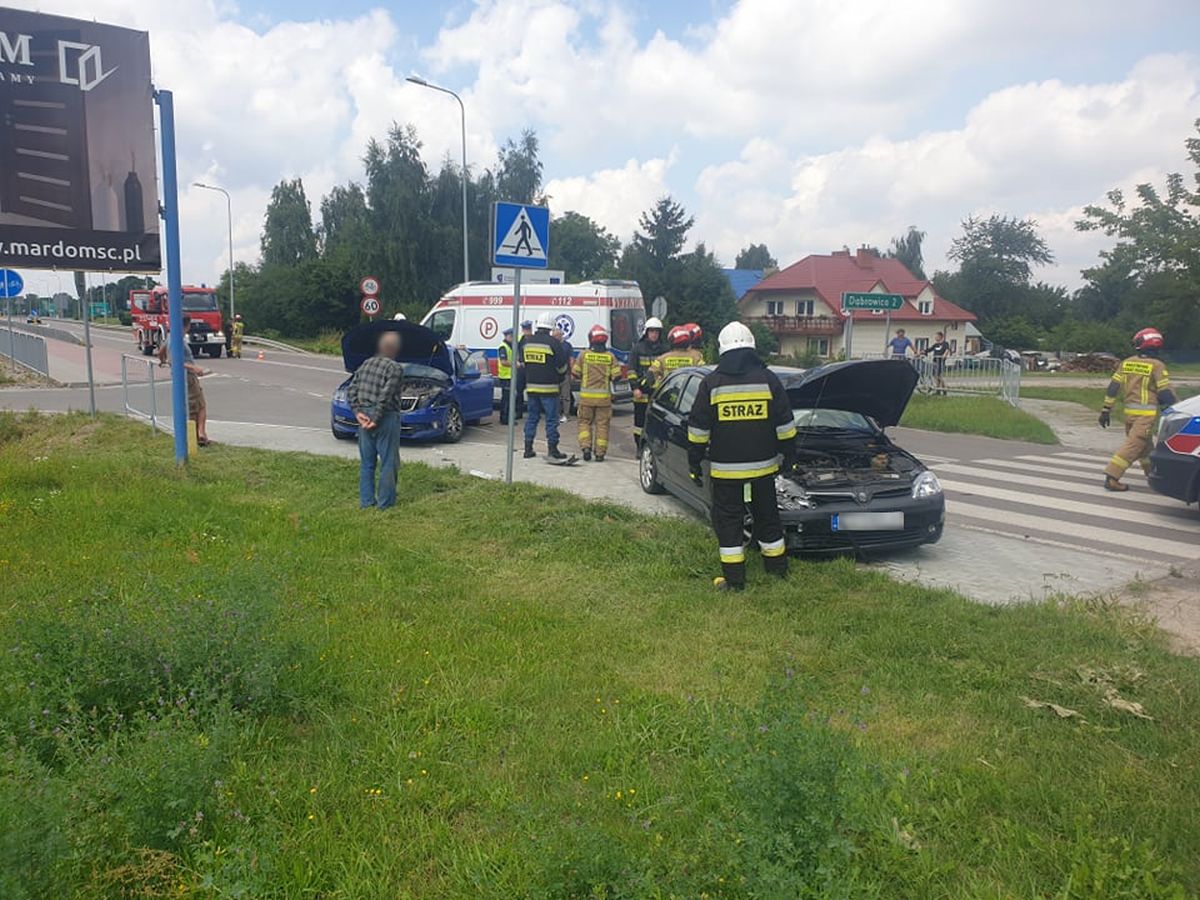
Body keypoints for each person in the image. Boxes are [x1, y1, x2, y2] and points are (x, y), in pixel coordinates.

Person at [687, 322, 796, 591]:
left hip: (726, 471)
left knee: (729, 522)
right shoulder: (769, 380)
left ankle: (735, 581)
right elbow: (785, 425)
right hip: (763, 469)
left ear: (723, 349)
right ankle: (777, 570)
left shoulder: (711, 383)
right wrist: (789, 458)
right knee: (768, 516)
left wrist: (694, 463)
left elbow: (698, 429)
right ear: (751, 347)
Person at [1099, 327, 1177, 492]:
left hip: (1129, 416)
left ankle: (1154, 476)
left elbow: (1113, 387)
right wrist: (1176, 409)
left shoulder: (1127, 362)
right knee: (1133, 446)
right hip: (1145, 416)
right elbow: (1165, 392)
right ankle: (1112, 477)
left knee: (1145, 448)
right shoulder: (1157, 365)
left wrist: (1106, 410)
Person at [348, 330, 405, 509]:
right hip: (386, 417)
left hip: (363, 415)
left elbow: (351, 390)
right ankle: (385, 503)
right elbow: (386, 396)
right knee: (389, 462)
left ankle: (366, 501)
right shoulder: (394, 368)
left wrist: (358, 413)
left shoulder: (365, 364)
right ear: (395, 350)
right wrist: (376, 418)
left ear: (380, 347)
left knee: (367, 462)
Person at [521, 313, 569, 459]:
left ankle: (528, 449)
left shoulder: (527, 343)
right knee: (551, 420)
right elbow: (562, 367)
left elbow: (524, 364)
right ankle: (552, 450)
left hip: (531, 388)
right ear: (551, 327)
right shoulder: (554, 343)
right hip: (549, 389)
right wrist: (559, 378)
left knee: (532, 418)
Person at [573, 324, 621, 461]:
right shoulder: (610, 357)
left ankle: (586, 448)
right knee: (602, 426)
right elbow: (617, 377)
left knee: (584, 423)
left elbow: (575, 373)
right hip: (604, 400)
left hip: (586, 399)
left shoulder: (583, 355)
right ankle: (600, 454)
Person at [166, 316, 213, 446]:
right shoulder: (177, 340)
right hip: (188, 376)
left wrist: (161, 359)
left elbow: (163, 350)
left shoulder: (170, 337)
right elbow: (173, 360)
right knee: (198, 406)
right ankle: (200, 435)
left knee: (194, 405)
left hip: (182, 376)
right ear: (187, 326)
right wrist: (194, 368)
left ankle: (197, 435)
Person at [628, 316, 664, 450]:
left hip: (657, 393)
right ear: (646, 332)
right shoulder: (637, 349)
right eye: (652, 331)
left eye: (657, 332)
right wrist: (635, 388)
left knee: (656, 422)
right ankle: (639, 447)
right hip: (641, 392)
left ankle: (655, 447)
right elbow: (631, 370)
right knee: (639, 423)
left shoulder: (663, 349)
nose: (654, 334)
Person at [552, 326, 575, 422]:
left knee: (565, 396)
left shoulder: (567, 346)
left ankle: (566, 415)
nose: (556, 337)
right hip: (554, 374)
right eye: (554, 336)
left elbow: (571, 359)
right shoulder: (552, 345)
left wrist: (573, 372)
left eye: (557, 335)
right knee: (555, 396)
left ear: (561, 335)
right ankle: (556, 414)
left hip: (565, 374)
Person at [497, 327, 517, 425]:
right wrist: (515, 364)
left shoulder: (510, 346)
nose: (513, 338)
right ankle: (504, 419)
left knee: (510, 399)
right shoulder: (503, 347)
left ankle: (509, 418)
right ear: (506, 336)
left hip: (510, 376)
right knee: (506, 399)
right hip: (505, 377)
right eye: (511, 336)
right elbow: (504, 362)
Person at [515, 319, 533, 419]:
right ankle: (519, 412)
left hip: (531, 368)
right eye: (524, 329)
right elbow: (516, 351)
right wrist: (517, 361)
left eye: (527, 329)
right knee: (519, 391)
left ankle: (532, 412)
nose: (526, 331)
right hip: (522, 368)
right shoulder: (520, 340)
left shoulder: (534, 339)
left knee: (532, 391)